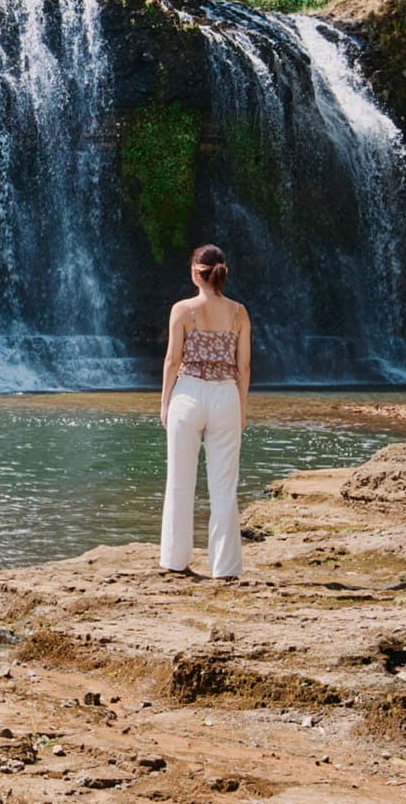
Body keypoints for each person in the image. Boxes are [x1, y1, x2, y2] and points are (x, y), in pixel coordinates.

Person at [158, 243, 251, 579]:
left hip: (188, 393)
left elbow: (172, 360)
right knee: (224, 486)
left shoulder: (182, 310)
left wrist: (165, 401)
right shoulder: (239, 312)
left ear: (196, 273)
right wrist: (242, 407)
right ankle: (225, 568)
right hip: (226, 394)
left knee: (180, 482)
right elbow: (244, 366)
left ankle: (175, 560)